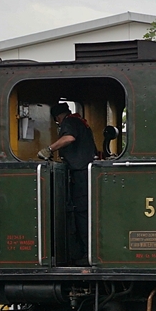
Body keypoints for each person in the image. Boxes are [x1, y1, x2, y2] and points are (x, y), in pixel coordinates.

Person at [38, 101, 97, 264]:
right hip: (84, 172)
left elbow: (69, 137)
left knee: (82, 213)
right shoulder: (79, 121)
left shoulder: (70, 122)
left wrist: (49, 149)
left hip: (81, 174)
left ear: (58, 118)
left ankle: (86, 253)